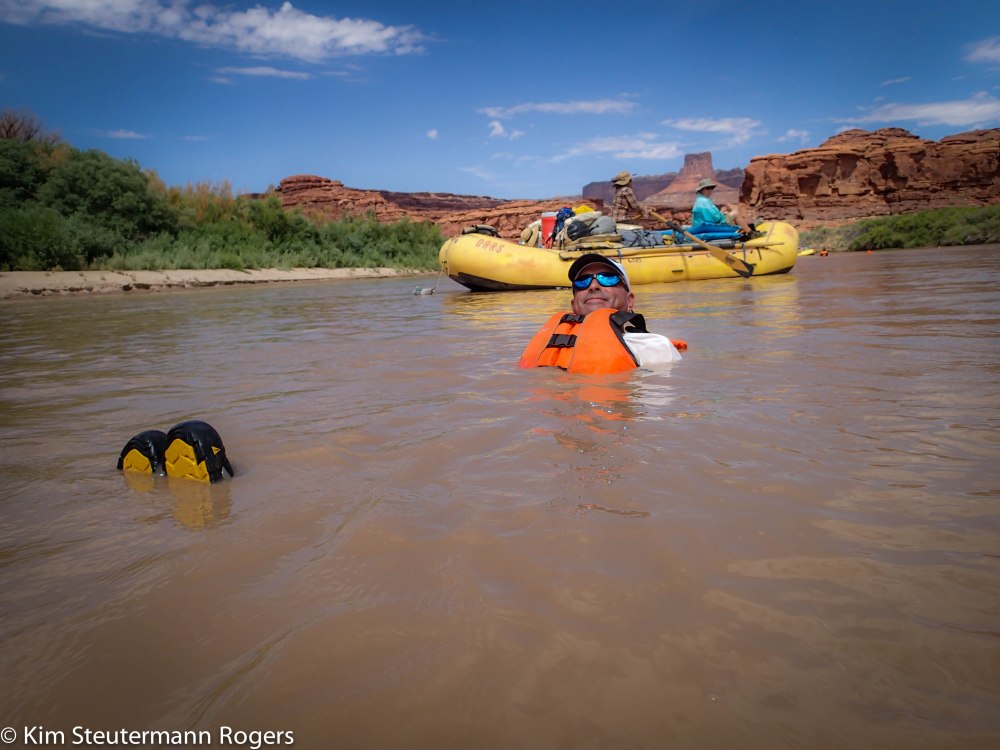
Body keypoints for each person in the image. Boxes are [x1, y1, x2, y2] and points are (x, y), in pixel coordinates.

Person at [519, 254, 684, 374]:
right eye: (582, 281)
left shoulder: (654, 346)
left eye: (608, 278)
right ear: (573, 305)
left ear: (630, 301)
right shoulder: (547, 346)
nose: (593, 286)